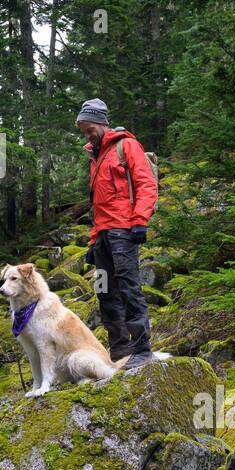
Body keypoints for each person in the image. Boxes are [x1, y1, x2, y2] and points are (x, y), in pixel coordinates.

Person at [76, 97, 157, 372]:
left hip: (124, 230)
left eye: (89, 127)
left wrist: (140, 221)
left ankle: (142, 349)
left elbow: (146, 183)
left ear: (101, 122)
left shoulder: (126, 146)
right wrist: (93, 240)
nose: (86, 133)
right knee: (105, 292)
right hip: (103, 234)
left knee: (128, 287)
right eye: (83, 129)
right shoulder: (94, 155)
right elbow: (99, 203)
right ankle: (121, 351)